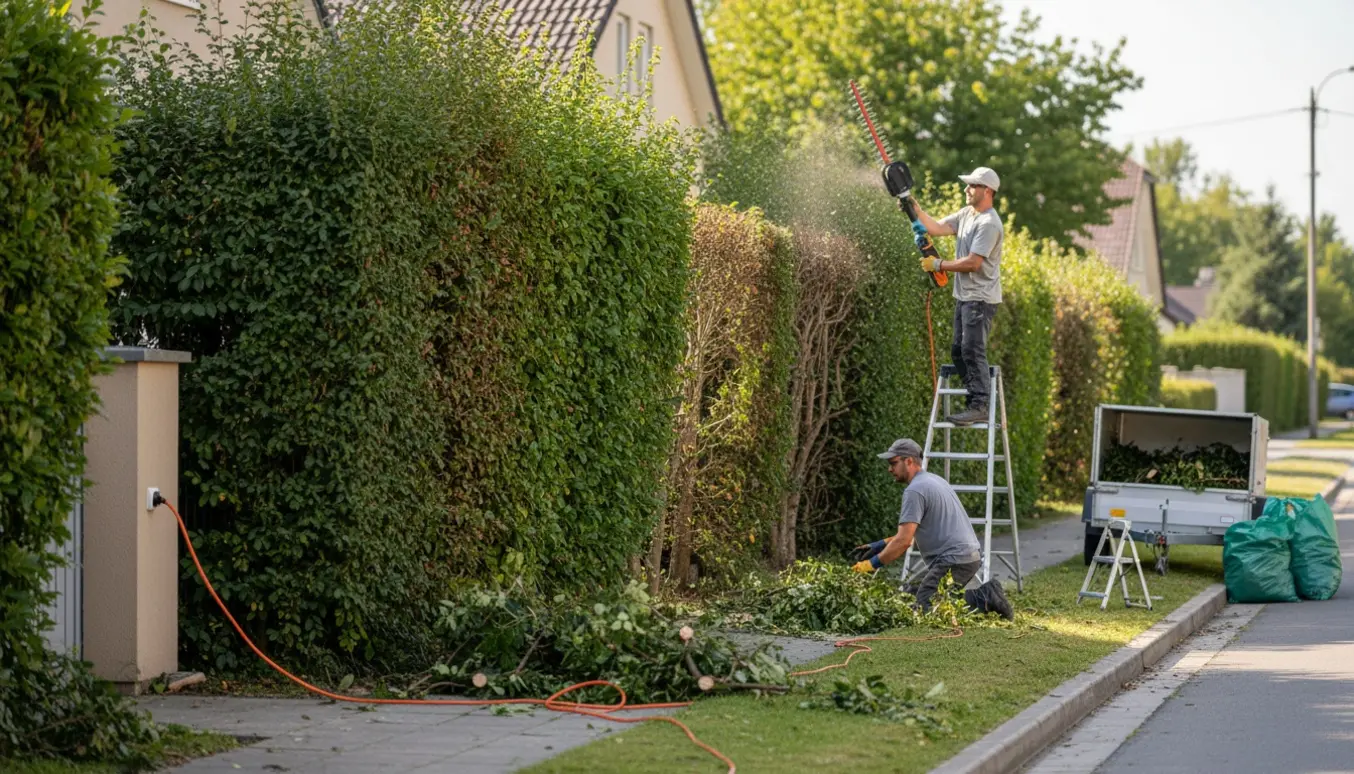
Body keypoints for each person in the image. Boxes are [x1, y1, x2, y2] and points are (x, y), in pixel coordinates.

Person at [851, 438, 1013, 620]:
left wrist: (870, 565)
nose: (890, 469)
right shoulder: (933, 480)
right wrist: (879, 545)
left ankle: (986, 596)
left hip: (954, 559)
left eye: (893, 463)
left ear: (909, 461)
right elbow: (910, 535)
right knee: (914, 594)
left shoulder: (915, 491)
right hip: (965, 556)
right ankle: (978, 596)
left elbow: (903, 542)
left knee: (928, 607)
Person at [912, 167, 1005, 427]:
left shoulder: (989, 223)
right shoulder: (967, 214)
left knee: (972, 350)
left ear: (987, 191)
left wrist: (939, 265)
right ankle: (976, 398)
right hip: (965, 296)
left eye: (972, 186)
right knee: (957, 351)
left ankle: (980, 405)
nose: (966, 189)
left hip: (981, 298)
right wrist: (916, 209)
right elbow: (938, 227)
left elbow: (974, 263)